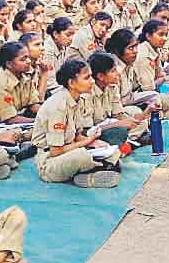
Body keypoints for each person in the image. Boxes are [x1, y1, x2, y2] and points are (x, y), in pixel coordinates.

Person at [32, 60, 120, 188]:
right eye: (87, 78)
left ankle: (89, 172)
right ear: (71, 83)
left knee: (109, 149)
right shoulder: (58, 106)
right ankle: (95, 169)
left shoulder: (78, 99)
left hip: (68, 149)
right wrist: (88, 141)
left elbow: (77, 135)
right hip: (50, 161)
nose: (93, 81)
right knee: (82, 156)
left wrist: (95, 143)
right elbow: (56, 151)